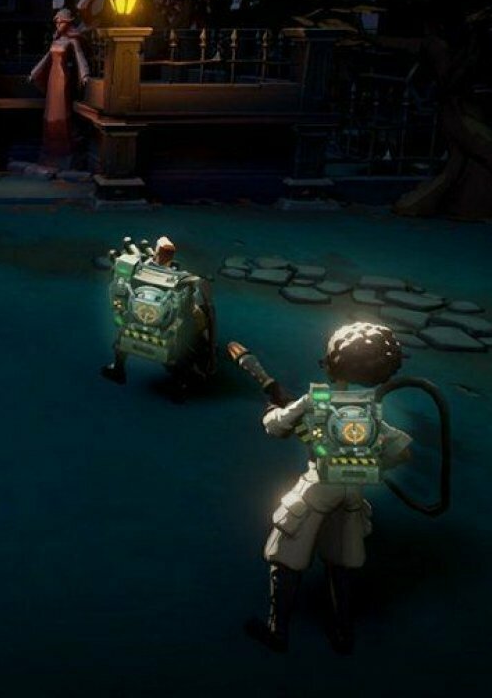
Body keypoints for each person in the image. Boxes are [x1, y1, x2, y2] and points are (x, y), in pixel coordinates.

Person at [241, 322, 414, 654]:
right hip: (352, 493)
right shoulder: (368, 407)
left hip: (317, 489)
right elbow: (402, 452)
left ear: (333, 360)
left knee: (286, 555)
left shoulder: (316, 398)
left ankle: (278, 631)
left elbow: (276, 428)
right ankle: (343, 634)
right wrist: (370, 468)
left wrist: (272, 413)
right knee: (342, 563)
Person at [101, 236, 215, 401]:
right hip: (163, 323)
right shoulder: (181, 278)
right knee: (190, 330)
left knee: (123, 333)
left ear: (155, 252)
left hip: (137, 317)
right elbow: (188, 303)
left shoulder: (140, 271)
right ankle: (180, 384)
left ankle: (118, 369)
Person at [27, 8, 91, 166]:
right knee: (51, 109)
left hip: (63, 78)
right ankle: (51, 147)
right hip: (52, 78)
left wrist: (84, 74)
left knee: (61, 109)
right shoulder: (56, 40)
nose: (58, 24)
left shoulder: (72, 41)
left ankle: (65, 148)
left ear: (68, 23)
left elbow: (79, 57)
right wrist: (34, 73)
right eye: (57, 22)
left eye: (61, 22)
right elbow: (46, 59)